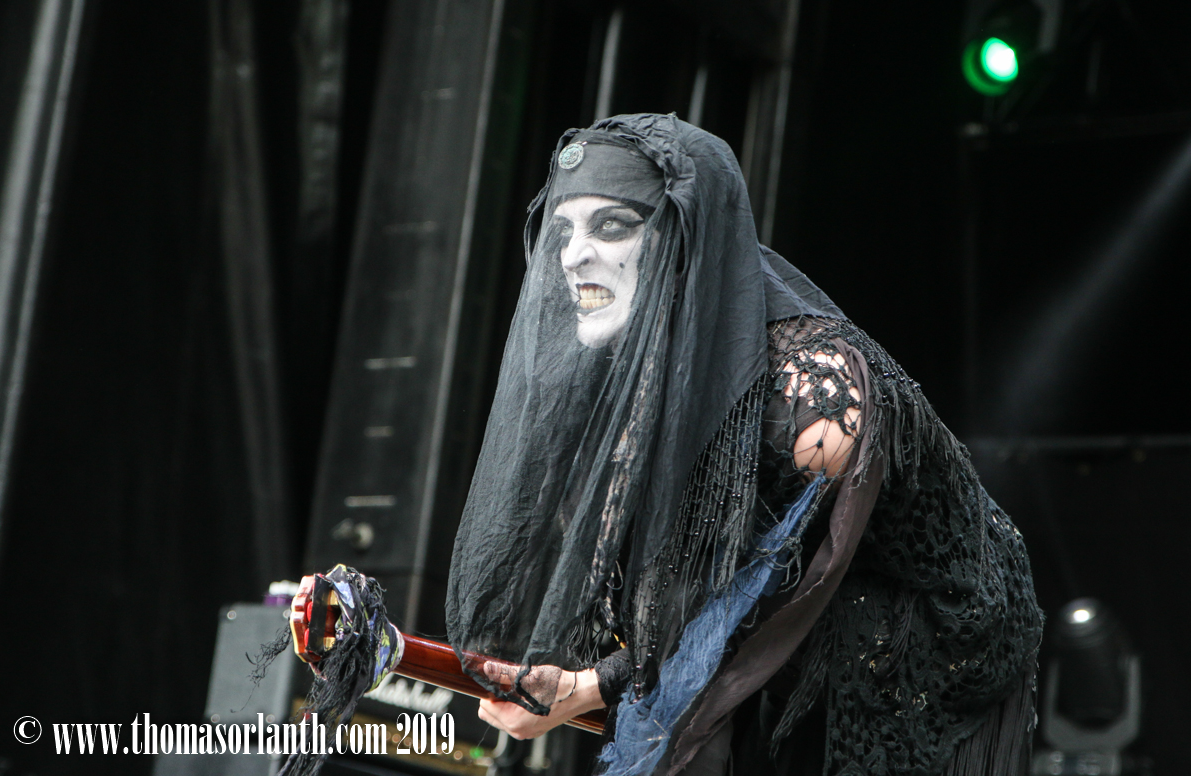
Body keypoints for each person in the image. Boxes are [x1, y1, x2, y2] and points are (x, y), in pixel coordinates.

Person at [446, 114, 1043, 776]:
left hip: (915, 662)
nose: (572, 255)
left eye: (612, 226)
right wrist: (581, 680)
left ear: (684, 239)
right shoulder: (636, 380)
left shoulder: (813, 398)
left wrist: (592, 686)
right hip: (785, 657)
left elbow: (759, 593)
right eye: (564, 231)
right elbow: (684, 592)